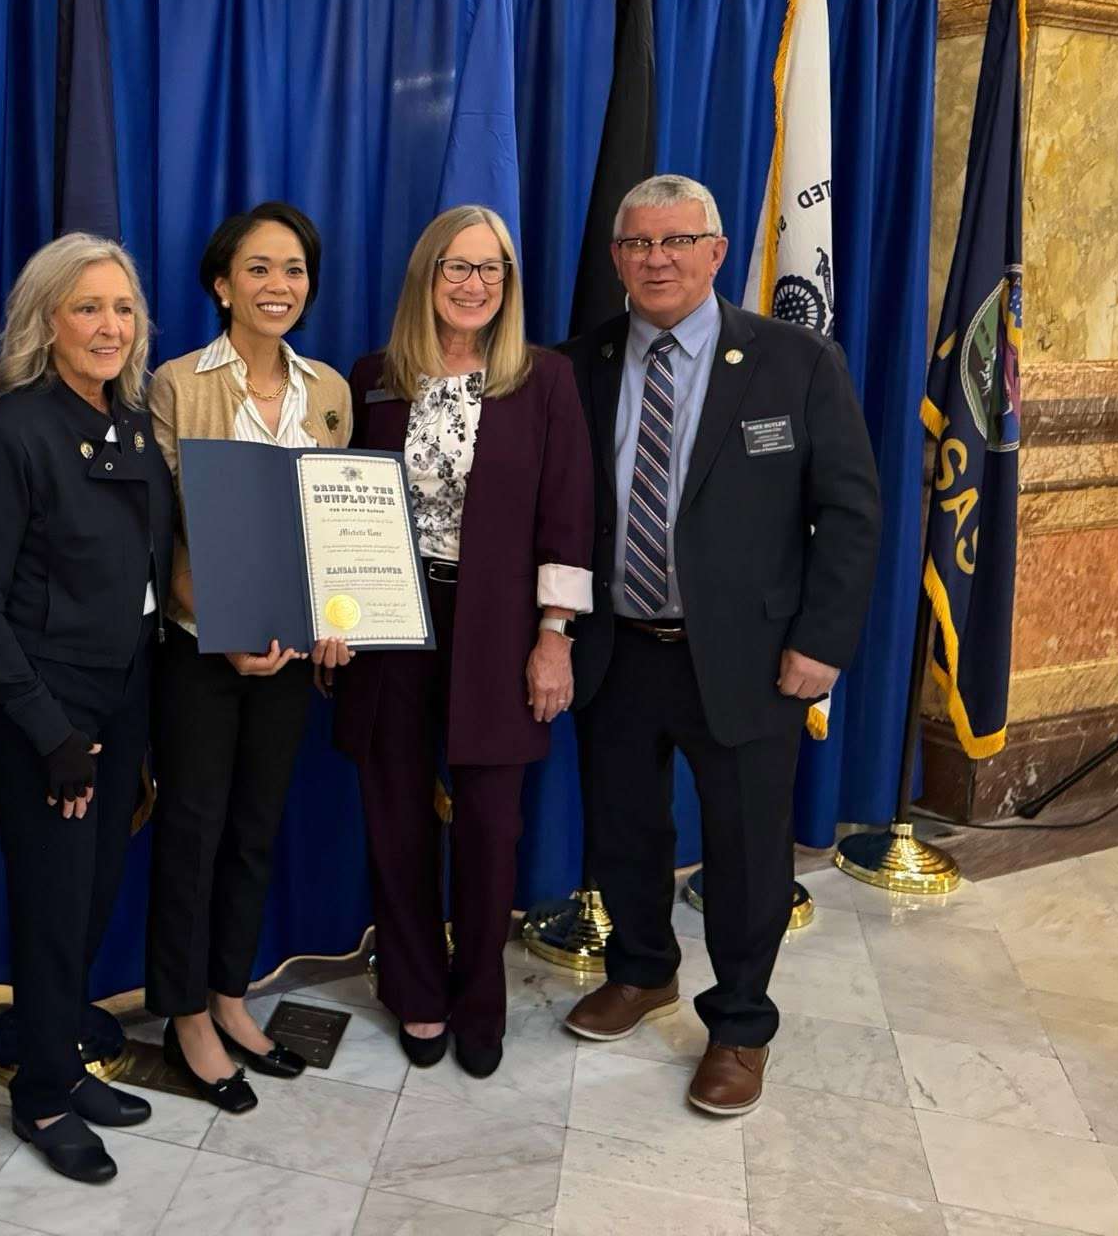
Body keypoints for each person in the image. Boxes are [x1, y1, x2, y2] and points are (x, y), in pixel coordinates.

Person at [559, 172, 881, 1117]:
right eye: (637, 244)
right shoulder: (578, 364)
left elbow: (852, 514)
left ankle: (741, 1024)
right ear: (617, 259)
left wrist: (821, 645)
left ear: (717, 250)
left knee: (746, 854)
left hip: (751, 660)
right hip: (616, 651)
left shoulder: (795, 362)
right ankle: (641, 969)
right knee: (623, 830)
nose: (656, 259)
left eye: (675, 241)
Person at [333, 205, 593, 1077]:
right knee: (395, 816)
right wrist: (334, 617)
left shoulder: (543, 380)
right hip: (389, 628)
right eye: (458, 265)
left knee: (490, 829)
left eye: (492, 269)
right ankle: (416, 995)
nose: (475, 283)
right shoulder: (375, 377)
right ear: (425, 276)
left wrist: (553, 637)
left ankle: (481, 999)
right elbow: (341, 507)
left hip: (500, 629)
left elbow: (569, 514)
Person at [0, 234, 172, 1183]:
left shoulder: (130, 426)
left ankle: (66, 1058)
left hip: (126, 701)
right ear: (48, 321)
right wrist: (49, 728)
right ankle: (40, 1090)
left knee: (90, 901)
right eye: (88, 308)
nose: (109, 326)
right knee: (50, 908)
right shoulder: (13, 433)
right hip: (49, 710)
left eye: (122, 309)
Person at [145, 201, 352, 1109]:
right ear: (223, 283)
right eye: (259, 269)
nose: (279, 286)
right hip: (201, 653)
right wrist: (223, 629)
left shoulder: (332, 391)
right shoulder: (176, 383)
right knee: (192, 831)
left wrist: (339, 614)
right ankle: (183, 1014)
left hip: (295, 659)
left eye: (294, 269)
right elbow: (158, 540)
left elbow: (339, 527)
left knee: (256, 831)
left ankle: (229, 995)